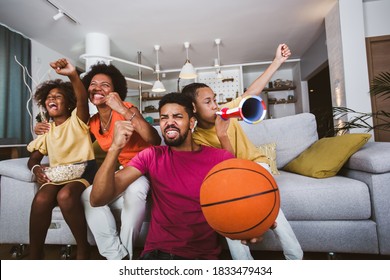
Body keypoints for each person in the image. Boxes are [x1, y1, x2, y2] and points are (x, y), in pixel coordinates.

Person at [90, 92, 252, 259]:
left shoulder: (219, 158)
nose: (169, 123)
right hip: (157, 254)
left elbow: (241, 197)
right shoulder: (152, 155)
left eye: (177, 116)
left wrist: (253, 226)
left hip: (202, 257)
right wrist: (115, 147)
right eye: (164, 118)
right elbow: (97, 199)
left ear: (191, 123)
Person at [182, 43, 304, 260]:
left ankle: (295, 257)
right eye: (208, 102)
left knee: (269, 204)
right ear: (193, 108)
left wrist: (277, 61)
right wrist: (222, 135)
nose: (215, 105)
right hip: (232, 175)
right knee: (229, 208)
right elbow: (226, 167)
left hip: (256, 165)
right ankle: (244, 265)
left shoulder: (226, 112)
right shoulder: (197, 138)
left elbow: (251, 93)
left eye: (215, 100)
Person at [35, 63, 161, 260]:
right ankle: (115, 255)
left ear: (116, 91)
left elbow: (154, 139)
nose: (98, 88)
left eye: (105, 85)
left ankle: (126, 258)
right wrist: (43, 128)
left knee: (135, 192)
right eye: (93, 84)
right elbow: (72, 134)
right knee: (88, 196)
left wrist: (121, 107)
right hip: (121, 171)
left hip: (143, 170)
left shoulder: (127, 108)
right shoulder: (93, 123)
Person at [27, 58, 97, 259]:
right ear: (44, 103)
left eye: (59, 96)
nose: (53, 99)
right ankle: (36, 253)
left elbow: (82, 99)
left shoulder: (77, 120)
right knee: (41, 198)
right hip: (58, 174)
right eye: (50, 97)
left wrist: (73, 75)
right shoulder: (46, 131)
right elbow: (33, 159)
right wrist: (36, 170)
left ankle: (83, 247)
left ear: (68, 103)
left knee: (65, 196)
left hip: (84, 171)